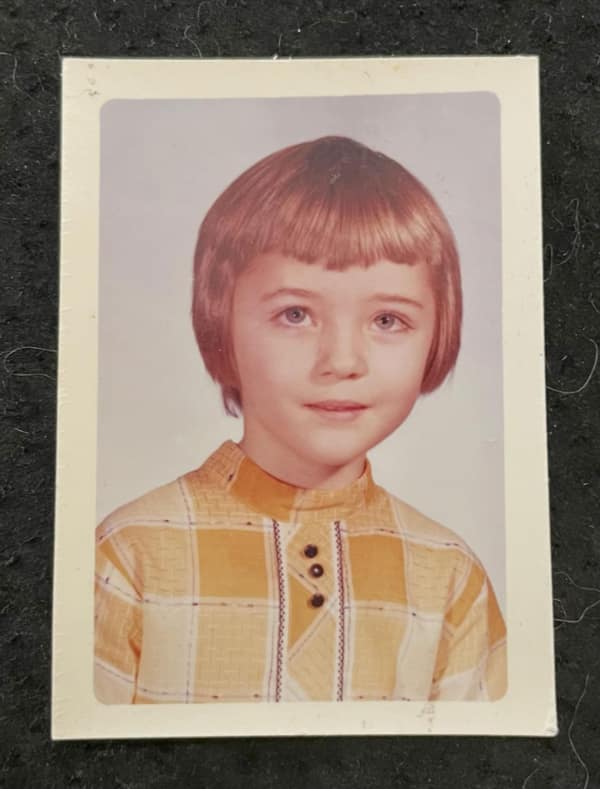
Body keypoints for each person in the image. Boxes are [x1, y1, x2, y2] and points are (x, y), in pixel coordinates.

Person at [94, 135, 507, 704]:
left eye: (387, 320)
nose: (343, 361)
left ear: (438, 336)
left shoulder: (450, 578)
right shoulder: (129, 556)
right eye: (295, 314)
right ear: (221, 324)